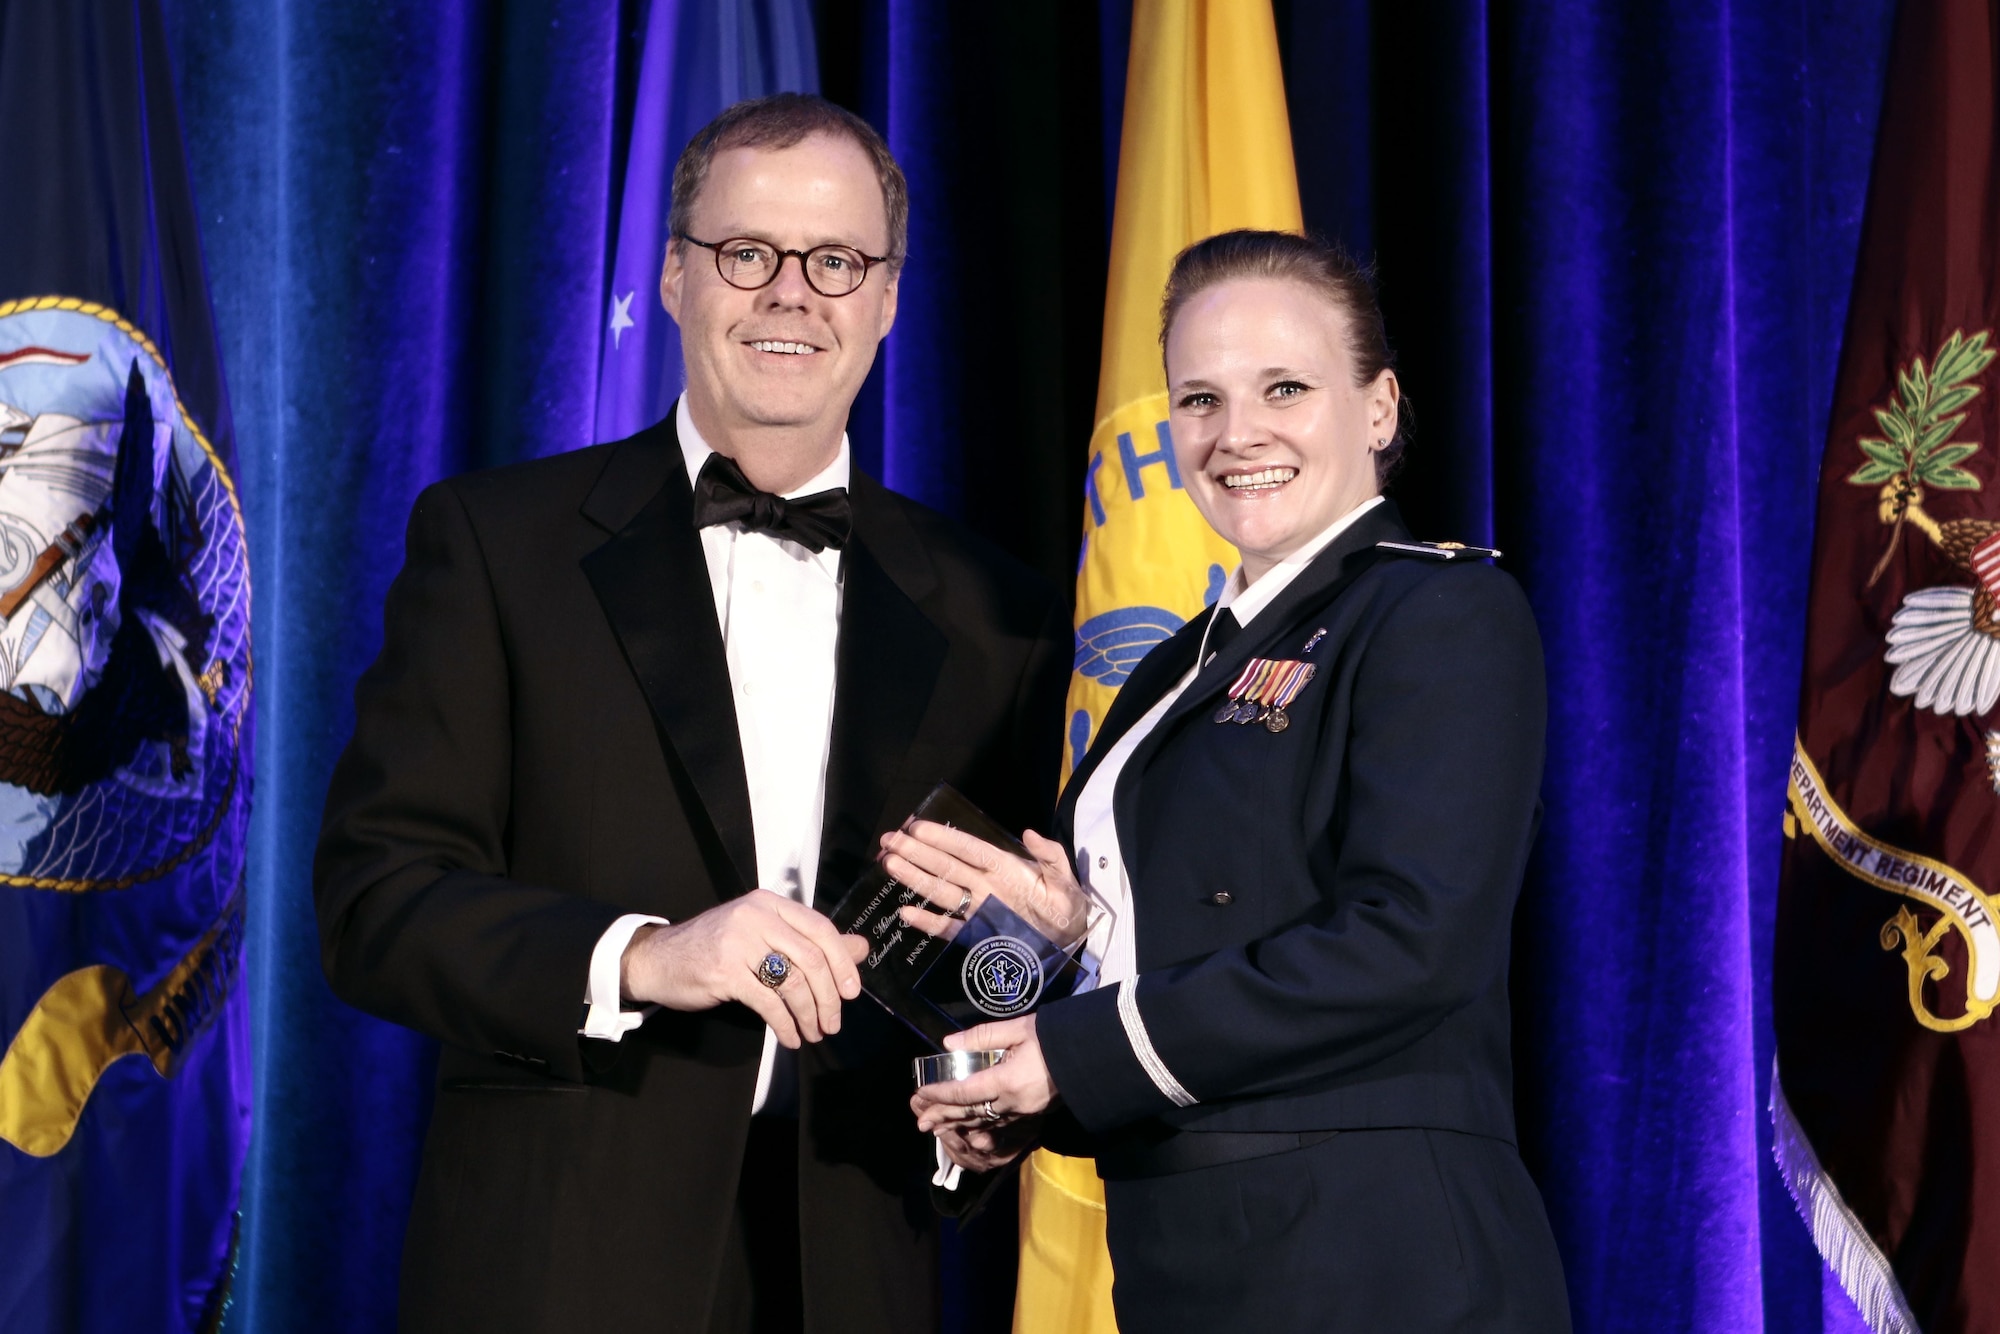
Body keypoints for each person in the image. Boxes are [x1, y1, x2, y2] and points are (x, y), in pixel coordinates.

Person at [313, 93, 1070, 1334]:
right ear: (673, 276)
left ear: (885, 299)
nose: (791, 294)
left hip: (855, 1267)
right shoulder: (498, 544)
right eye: (745, 253)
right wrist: (652, 955)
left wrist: (988, 1097)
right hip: (556, 1269)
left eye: (835, 261)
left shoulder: (1003, 615)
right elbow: (374, 901)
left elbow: (975, 984)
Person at [885, 229, 1572, 1331]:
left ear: (1380, 408)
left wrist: (1070, 1051)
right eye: (1198, 399)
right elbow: (1178, 954)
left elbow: (1409, 942)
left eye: (1284, 388)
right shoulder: (1173, 664)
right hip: (1186, 1253)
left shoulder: (1435, 614)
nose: (1235, 434)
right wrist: (1046, 981)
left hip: (1374, 1257)